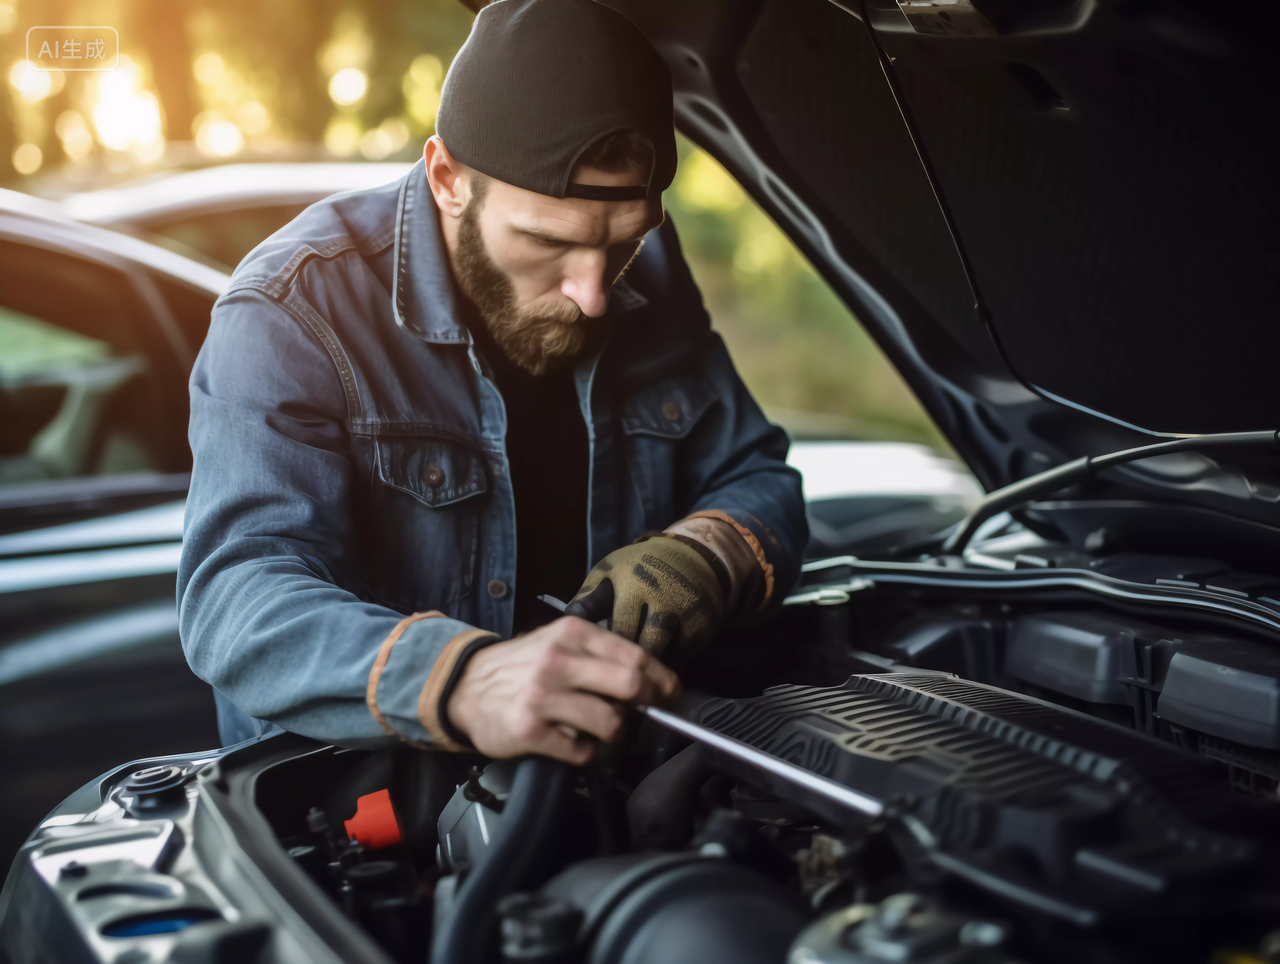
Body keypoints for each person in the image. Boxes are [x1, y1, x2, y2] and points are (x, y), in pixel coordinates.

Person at [178, 0, 807, 764]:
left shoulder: (649, 271)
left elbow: (756, 473)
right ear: (447, 178)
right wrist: (463, 679)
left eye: (624, 243)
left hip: (608, 776)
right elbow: (235, 597)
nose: (594, 293)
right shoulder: (295, 309)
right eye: (547, 241)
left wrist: (708, 552)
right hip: (366, 801)